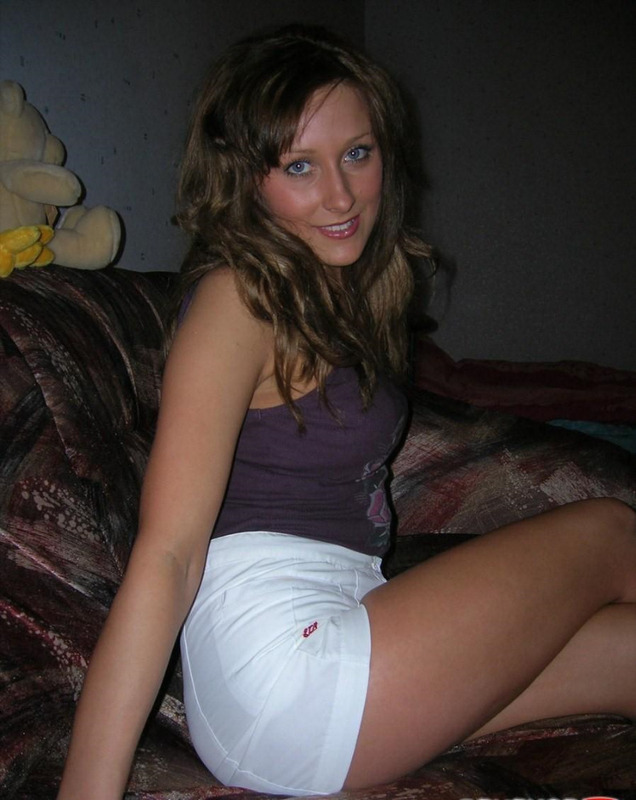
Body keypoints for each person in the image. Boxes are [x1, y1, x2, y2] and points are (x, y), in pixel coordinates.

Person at [57, 24, 636, 799]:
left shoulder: (339, 293)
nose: (340, 195)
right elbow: (168, 555)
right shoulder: (238, 299)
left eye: (357, 153)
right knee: (611, 531)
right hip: (281, 673)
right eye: (300, 165)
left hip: (346, 635)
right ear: (245, 179)